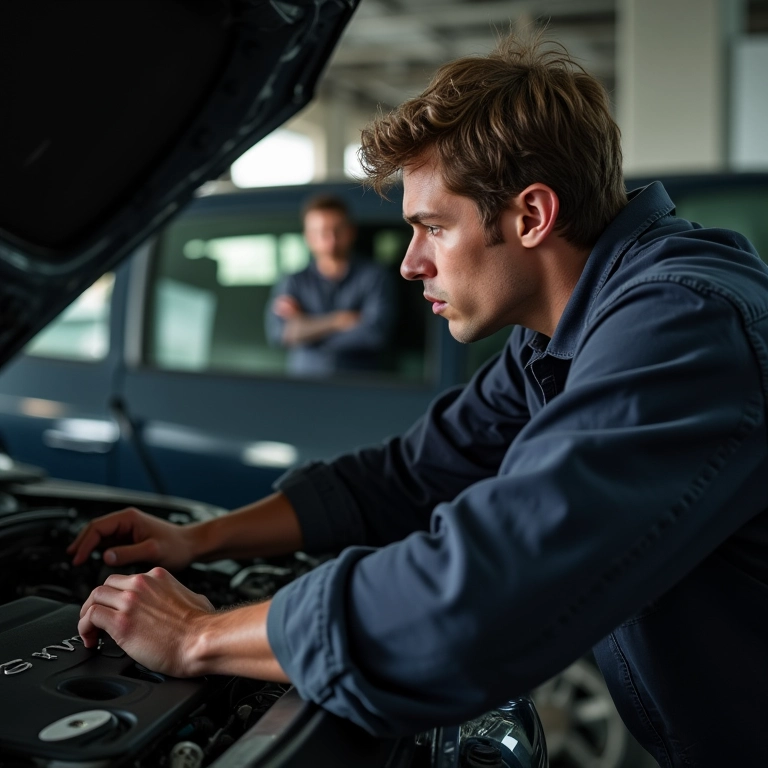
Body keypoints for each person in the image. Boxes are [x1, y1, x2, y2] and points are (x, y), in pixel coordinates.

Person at [68, 35, 768, 766]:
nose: (409, 263)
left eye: (433, 227)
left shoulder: (684, 327)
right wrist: (198, 539)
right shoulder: (559, 333)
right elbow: (412, 472)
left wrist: (198, 637)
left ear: (531, 216)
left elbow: (471, 598)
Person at [264, 194, 395, 375]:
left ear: (351, 232)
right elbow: (279, 334)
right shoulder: (293, 281)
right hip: (304, 385)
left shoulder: (375, 277)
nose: (331, 240)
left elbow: (374, 334)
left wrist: (305, 330)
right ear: (309, 237)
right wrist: (337, 321)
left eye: (338, 231)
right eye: (322, 232)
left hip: (361, 385)